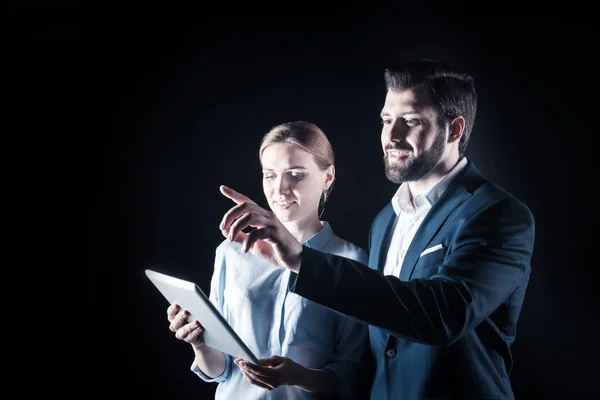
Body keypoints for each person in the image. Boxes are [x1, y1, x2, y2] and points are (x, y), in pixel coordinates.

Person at [218, 59, 535, 399]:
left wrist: (301, 259)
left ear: (454, 130)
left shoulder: (498, 214)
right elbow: (377, 349)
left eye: (410, 121)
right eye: (387, 120)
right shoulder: (385, 220)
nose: (392, 136)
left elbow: (443, 315)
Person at [167, 121, 371, 399]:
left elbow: (352, 373)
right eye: (270, 176)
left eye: (296, 175)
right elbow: (221, 372)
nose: (280, 190)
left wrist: (298, 376)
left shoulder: (352, 260)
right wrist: (199, 343)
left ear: (327, 177)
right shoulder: (231, 253)